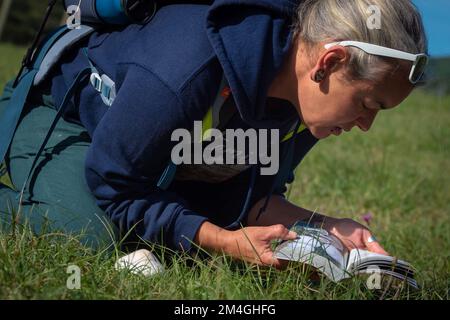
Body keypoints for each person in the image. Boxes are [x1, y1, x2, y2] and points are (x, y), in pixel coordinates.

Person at [0, 0, 427, 268]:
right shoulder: (187, 67)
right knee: (98, 236)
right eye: (369, 104)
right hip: (64, 117)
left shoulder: (307, 107)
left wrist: (325, 229)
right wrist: (220, 240)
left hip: (153, 156)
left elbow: (241, 197)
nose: (366, 126)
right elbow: (116, 183)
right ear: (328, 62)